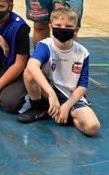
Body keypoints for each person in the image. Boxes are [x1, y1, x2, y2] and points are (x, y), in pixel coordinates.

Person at [18, 8, 100, 136]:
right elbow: (32, 65)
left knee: (92, 127)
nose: (63, 28)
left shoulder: (82, 52)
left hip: (69, 96)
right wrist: (51, 94)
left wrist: (67, 106)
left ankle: (67, 116)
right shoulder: (46, 46)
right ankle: (37, 108)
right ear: (51, 27)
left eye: (68, 26)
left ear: (76, 30)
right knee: (29, 73)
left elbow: (83, 86)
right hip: (48, 91)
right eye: (58, 26)